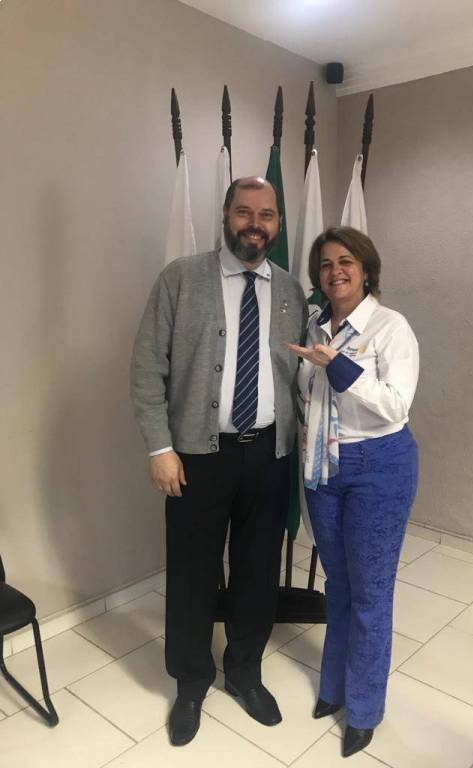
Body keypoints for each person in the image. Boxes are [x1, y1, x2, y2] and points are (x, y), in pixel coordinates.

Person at [131, 177, 308, 747]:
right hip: (196, 458)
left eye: (267, 214)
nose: (255, 224)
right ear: (226, 216)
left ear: (278, 224)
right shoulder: (181, 279)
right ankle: (190, 681)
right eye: (244, 212)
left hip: (270, 454)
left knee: (257, 570)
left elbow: (302, 376)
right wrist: (160, 448)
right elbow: (147, 367)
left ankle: (245, 671)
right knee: (192, 572)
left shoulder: (291, 291)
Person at [288, 226, 419, 758]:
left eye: (346, 261)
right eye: (325, 264)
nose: (335, 271)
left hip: (377, 467)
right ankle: (335, 687)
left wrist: (337, 365)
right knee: (338, 584)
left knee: (370, 592)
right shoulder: (316, 325)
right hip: (324, 468)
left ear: (366, 270)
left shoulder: (390, 327)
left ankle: (364, 708)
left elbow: (396, 405)